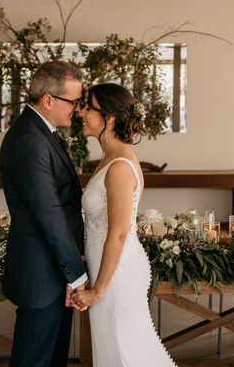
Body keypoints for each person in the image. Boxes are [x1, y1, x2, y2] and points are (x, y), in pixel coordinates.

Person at [71, 83, 176, 367]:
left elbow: (118, 233)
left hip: (116, 277)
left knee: (124, 353)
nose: (80, 112)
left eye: (88, 107)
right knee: (114, 353)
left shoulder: (119, 166)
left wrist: (98, 290)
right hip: (107, 271)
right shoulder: (108, 159)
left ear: (110, 117)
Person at [0, 61, 88, 367]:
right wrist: (76, 273)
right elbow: (48, 212)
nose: (76, 109)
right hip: (42, 274)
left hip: (53, 272)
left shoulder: (42, 132)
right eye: (73, 101)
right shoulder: (29, 139)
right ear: (49, 100)